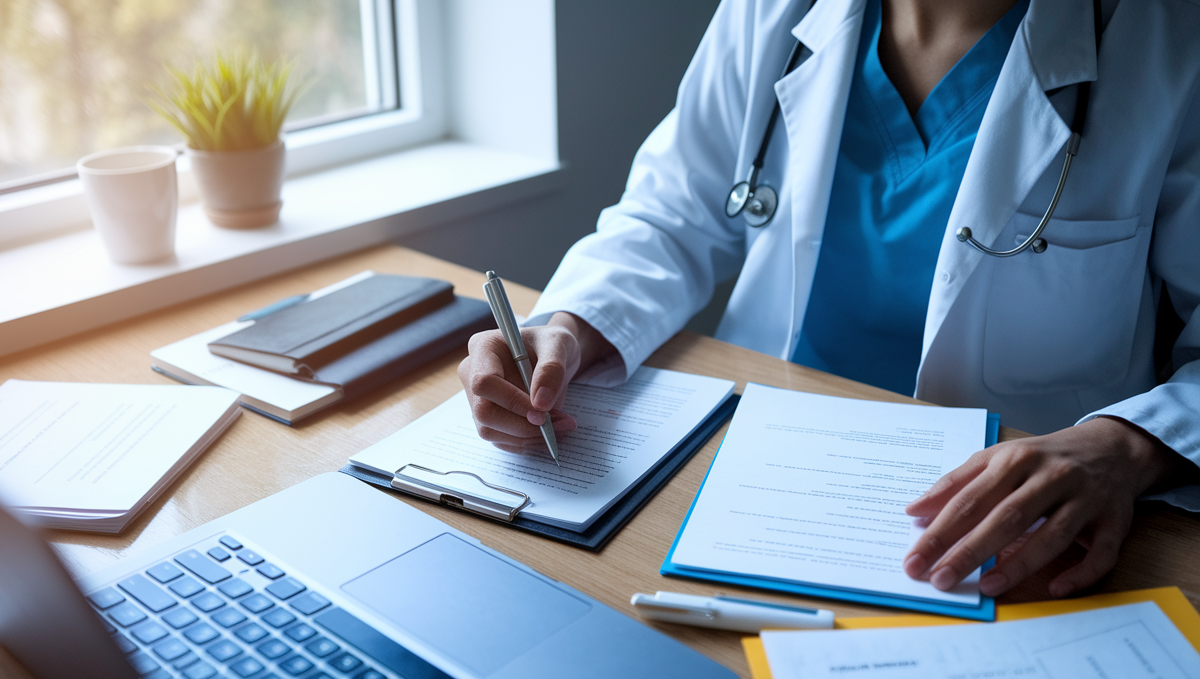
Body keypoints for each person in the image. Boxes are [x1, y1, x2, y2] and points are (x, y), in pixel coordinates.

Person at [458, 0, 1200, 599]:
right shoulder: (773, 13)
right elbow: (672, 212)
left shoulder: (1170, 40)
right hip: (756, 487)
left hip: (1010, 528)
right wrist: (570, 325)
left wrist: (1128, 447)